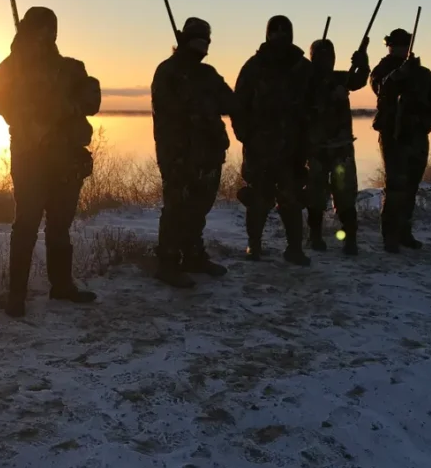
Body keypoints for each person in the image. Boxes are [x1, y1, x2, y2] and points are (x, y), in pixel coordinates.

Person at [0, 6, 101, 317]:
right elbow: (7, 109)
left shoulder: (71, 68)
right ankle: (17, 295)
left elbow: (91, 104)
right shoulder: (9, 69)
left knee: (60, 226)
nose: (44, 35)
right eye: (38, 29)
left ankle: (62, 286)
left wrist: (68, 102)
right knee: (26, 224)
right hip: (30, 159)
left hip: (67, 158)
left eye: (49, 29)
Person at [151, 17, 236, 288]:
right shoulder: (167, 72)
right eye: (197, 40)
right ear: (184, 41)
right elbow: (168, 111)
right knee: (176, 207)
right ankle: (167, 262)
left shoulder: (207, 73)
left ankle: (193, 256)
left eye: (206, 41)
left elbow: (230, 101)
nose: (202, 46)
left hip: (208, 154)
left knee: (200, 207)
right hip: (178, 153)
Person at [231, 15, 312, 266]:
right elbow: (238, 105)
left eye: (284, 31)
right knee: (258, 198)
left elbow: (314, 104)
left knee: (292, 197)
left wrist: (308, 140)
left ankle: (294, 248)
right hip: (259, 148)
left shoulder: (302, 67)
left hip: (293, 148)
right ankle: (254, 245)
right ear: (267, 34)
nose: (279, 36)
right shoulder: (254, 66)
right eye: (274, 31)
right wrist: (245, 135)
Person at [371, 28, 431, 252]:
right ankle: (390, 236)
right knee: (395, 186)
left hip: (417, 136)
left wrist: (425, 123)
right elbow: (379, 87)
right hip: (394, 136)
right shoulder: (382, 70)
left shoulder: (424, 74)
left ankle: (405, 232)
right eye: (395, 44)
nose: (400, 48)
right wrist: (399, 75)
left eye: (404, 44)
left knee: (412, 186)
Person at [305, 38, 370, 255]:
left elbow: (360, 79)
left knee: (345, 195)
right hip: (316, 149)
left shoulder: (341, 77)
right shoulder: (305, 82)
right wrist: (328, 96)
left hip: (341, 148)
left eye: (330, 56)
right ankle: (315, 237)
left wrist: (363, 59)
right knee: (315, 194)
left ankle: (349, 239)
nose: (326, 61)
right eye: (321, 56)